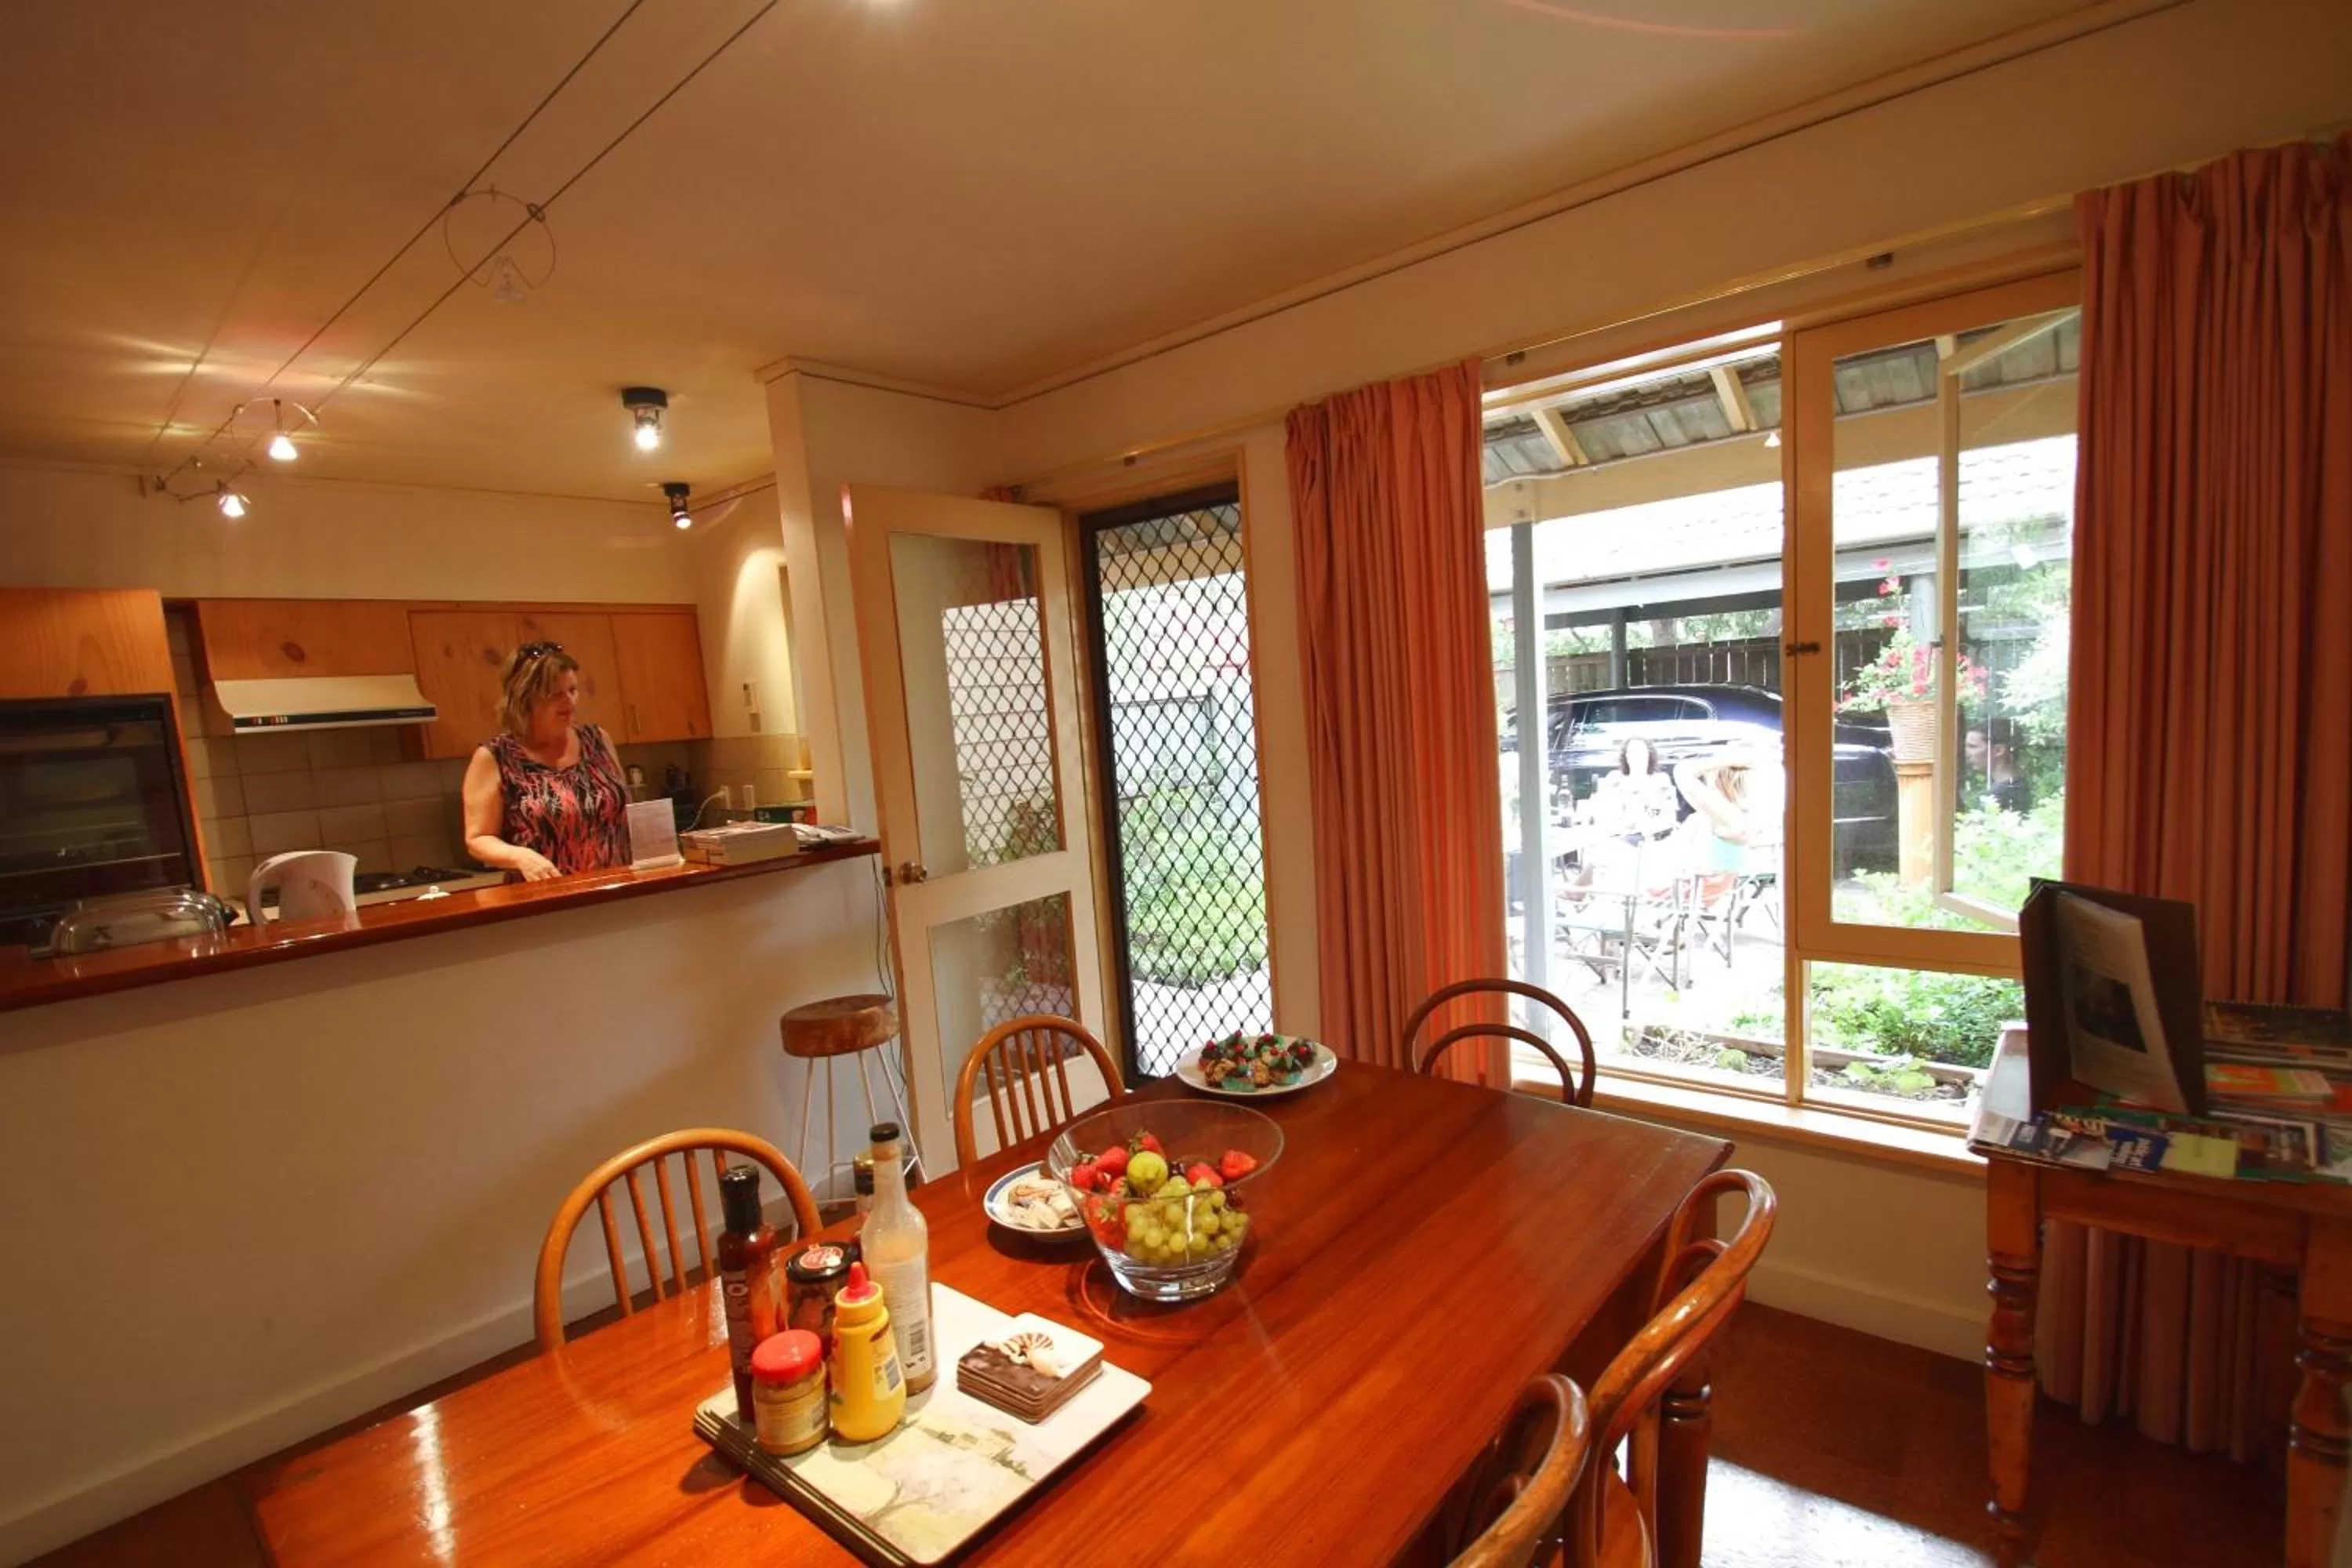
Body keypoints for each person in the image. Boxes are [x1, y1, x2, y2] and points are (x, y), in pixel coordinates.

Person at [462, 641, 631, 881]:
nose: (570, 701)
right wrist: (519, 857)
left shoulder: (598, 740)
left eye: (572, 690)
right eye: (556, 694)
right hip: (545, 893)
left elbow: (627, 812)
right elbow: (477, 839)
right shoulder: (496, 757)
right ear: (525, 698)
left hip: (617, 888)